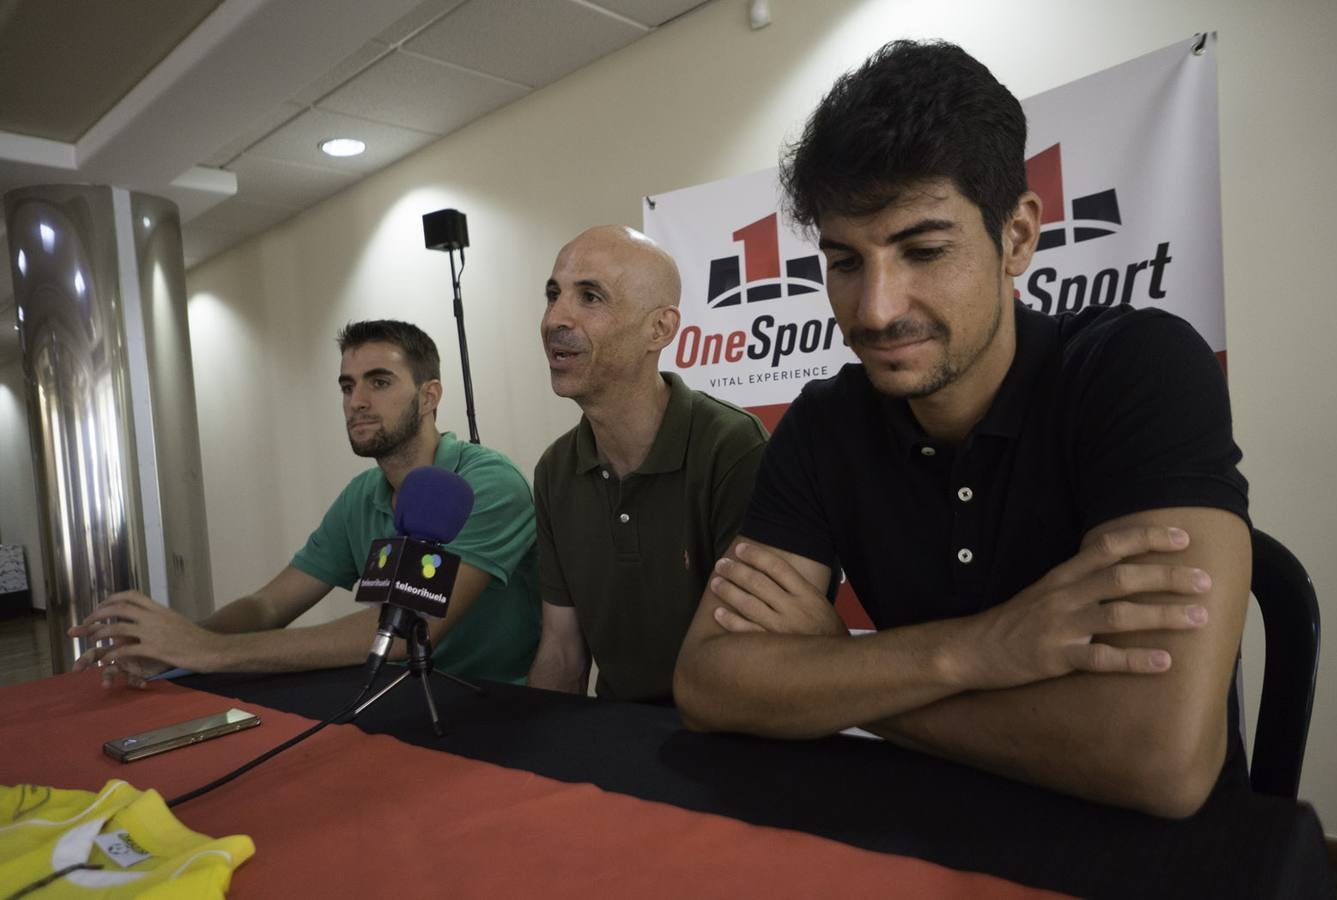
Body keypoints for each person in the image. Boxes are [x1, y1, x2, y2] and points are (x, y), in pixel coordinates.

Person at [673, 41, 1250, 819]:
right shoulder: (825, 422)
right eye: (845, 262)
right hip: (922, 843)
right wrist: (976, 650)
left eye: (925, 250)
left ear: (1016, 237)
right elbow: (711, 681)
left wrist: (840, 671)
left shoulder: (1138, 370)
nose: (875, 310)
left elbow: (1158, 760)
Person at [71, 320, 539, 686]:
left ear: (429, 396)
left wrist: (207, 652)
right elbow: (267, 606)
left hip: (492, 705)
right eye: (347, 385)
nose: (356, 401)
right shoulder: (362, 496)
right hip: (395, 694)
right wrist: (178, 641)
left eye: (378, 382)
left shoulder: (487, 484)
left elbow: (403, 631)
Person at [528, 226, 768, 702]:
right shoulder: (555, 470)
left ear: (660, 329)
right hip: (614, 741)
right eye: (553, 295)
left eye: (590, 297)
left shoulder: (733, 447)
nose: (556, 317)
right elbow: (562, 653)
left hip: (726, 739)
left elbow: (753, 659)